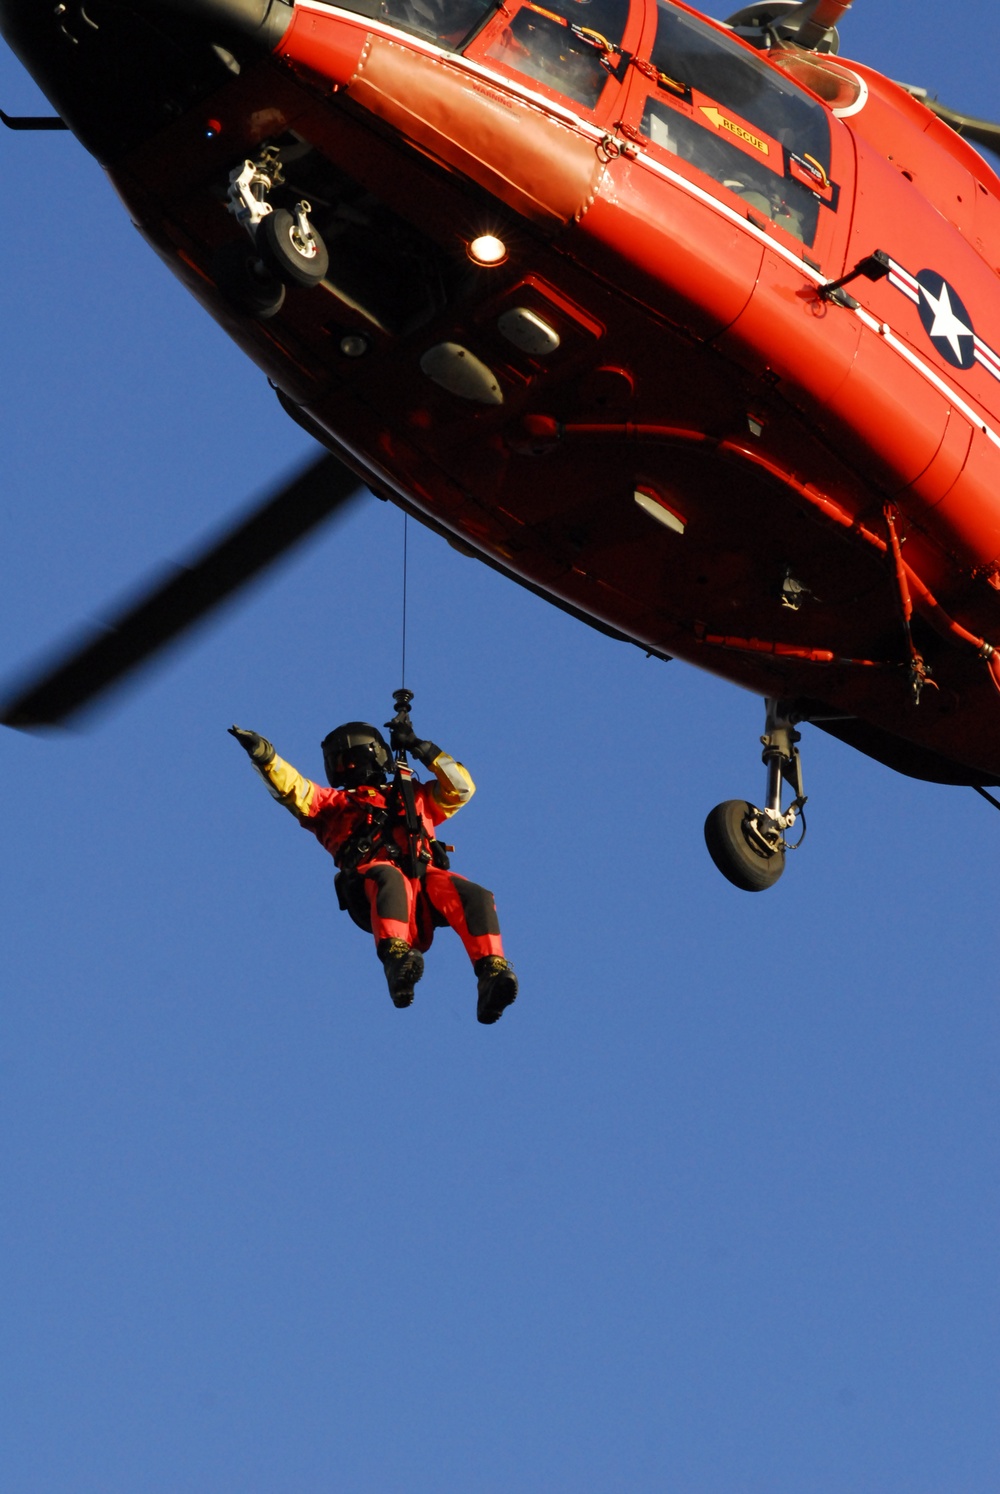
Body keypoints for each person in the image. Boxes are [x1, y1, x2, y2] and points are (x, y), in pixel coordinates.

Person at [228, 717, 518, 1024]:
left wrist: (422, 748)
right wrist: (265, 757)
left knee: (476, 895)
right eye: (338, 762)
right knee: (388, 876)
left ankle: (491, 973)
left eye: (347, 759)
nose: (345, 768)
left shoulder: (413, 794)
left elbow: (461, 788)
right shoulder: (333, 805)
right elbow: (293, 788)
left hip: (425, 880)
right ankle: (396, 961)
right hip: (368, 885)